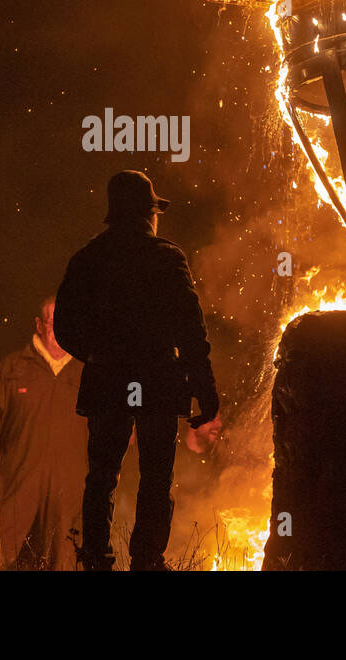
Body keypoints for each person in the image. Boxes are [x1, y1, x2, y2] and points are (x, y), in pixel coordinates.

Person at [54, 170, 218, 571]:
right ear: (149, 213)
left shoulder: (88, 258)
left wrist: (98, 353)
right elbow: (191, 329)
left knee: (102, 476)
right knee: (156, 475)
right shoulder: (166, 257)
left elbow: (64, 327)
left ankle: (96, 559)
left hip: (107, 380)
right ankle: (146, 560)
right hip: (158, 379)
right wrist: (205, 388)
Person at [0, 296, 89, 570]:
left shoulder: (87, 374)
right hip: (16, 479)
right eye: (52, 323)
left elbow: (108, 424)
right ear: (38, 325)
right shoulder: (13, 368)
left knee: (66, 559)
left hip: (69, 487)